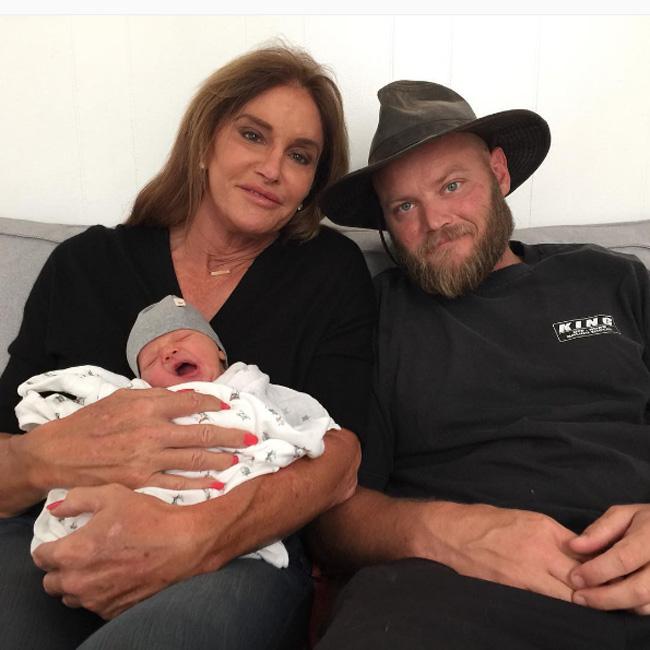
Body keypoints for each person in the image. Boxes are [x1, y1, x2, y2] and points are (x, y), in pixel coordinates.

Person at [0, 45, 375, 649]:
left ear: (311, 184)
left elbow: (343, 457)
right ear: (204, 142)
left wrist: (195, 535)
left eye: (300, 156)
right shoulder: (85, 266)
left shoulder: (328, 274)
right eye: (252, 135)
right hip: (49, 535)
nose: (273, 168)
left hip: (239, 556)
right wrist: (48, 457)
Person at [311, 80, 650, 649]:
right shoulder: (374, 317)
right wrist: (453, 533)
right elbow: (334, 515)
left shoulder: (613, 279)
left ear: (499, 172)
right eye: (404, 206)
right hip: (449, 590)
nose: (435, 221)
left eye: (452, 185)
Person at [20, 295, 340, 569]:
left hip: (234, 514)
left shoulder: (250, 386)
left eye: (183, 338)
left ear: (220, 352)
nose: (169, 352)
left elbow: (310, 426)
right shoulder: (137, 400)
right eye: (151, 359)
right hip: (145, 510)